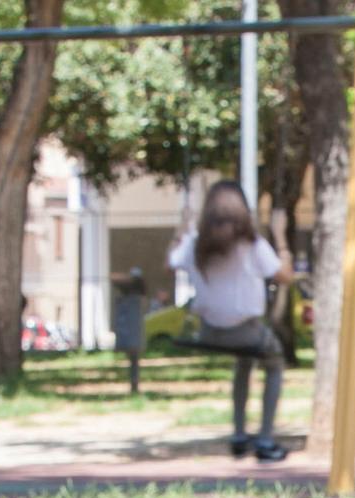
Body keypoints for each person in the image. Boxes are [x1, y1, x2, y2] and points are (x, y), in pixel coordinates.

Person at [168, 180, 295, 461]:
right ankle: (265, 439)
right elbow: (285, 276)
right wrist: (280, 236)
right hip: (246, 331)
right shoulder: (252, 245)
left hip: (208, 332)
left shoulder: (195, 243)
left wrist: (181, 228)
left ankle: (239, 433)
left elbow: (170, 263)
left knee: (245, 361)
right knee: (274, 362)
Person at [111, 266, 148, 395]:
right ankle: (134, 385)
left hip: (130, 335)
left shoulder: (130, 302)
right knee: (134, 361)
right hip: (134, 336)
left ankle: (134, 385)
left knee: (134, 361)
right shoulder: (137, 301)